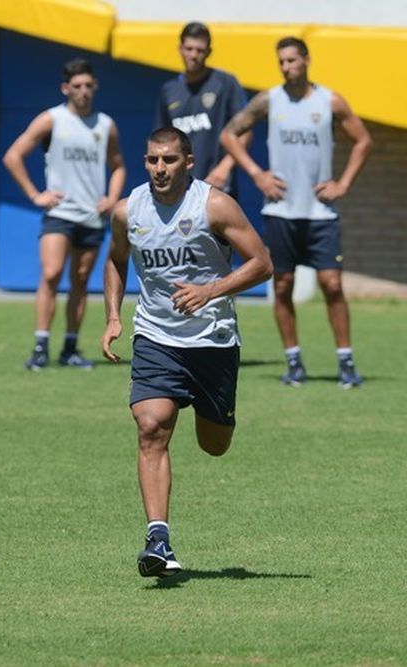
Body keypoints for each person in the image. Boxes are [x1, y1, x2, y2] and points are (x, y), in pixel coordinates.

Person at [101, 127, 272, 577]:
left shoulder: (213, 205)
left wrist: (210, 290)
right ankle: (158, 538)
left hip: (213, 342)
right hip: (156, 338)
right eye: (153, 160)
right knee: (151, 426)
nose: (160, 168)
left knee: (214, 445)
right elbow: (116, 259)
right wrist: (114, 317)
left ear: (189, 163)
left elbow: (262, 263)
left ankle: (216, 413)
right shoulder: (127, 210)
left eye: (170, 160)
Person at [220, 36, 372, 388]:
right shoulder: (269, 100)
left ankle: (346, 362)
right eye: (281, 62)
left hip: (321, 212)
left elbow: (363, 141)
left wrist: (343, 183)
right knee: (283, 284)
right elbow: (230, 134)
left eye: (292, 60)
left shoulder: (329, 101)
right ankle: (294, 362)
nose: (287, 67)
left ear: (307, 60)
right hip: (280, 211)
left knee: (332, 285)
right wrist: (257, 174)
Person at [3, 58, 126, 370]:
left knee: (82, 280)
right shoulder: (51, 119)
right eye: (77, 86)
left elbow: (119, 166)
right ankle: (41, 345)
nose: (83, 91)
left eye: (88, 86)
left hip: (91, 215)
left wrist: (112, 197)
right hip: (60, 213)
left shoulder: (105, 124)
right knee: (51, 273)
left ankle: (70, 347)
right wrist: (35, 194)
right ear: (65, 88)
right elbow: (13, 156)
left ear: (94, 87)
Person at [155, 22, 249, 195]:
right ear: (180, 49)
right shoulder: (169, 90)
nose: (194, 55)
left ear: (209, 52)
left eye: (200, 50)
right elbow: (161, 140)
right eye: (189, 49)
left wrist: (225, 167)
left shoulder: (225, 83)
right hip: (180, 188)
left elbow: (244, 131)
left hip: (218, 186)